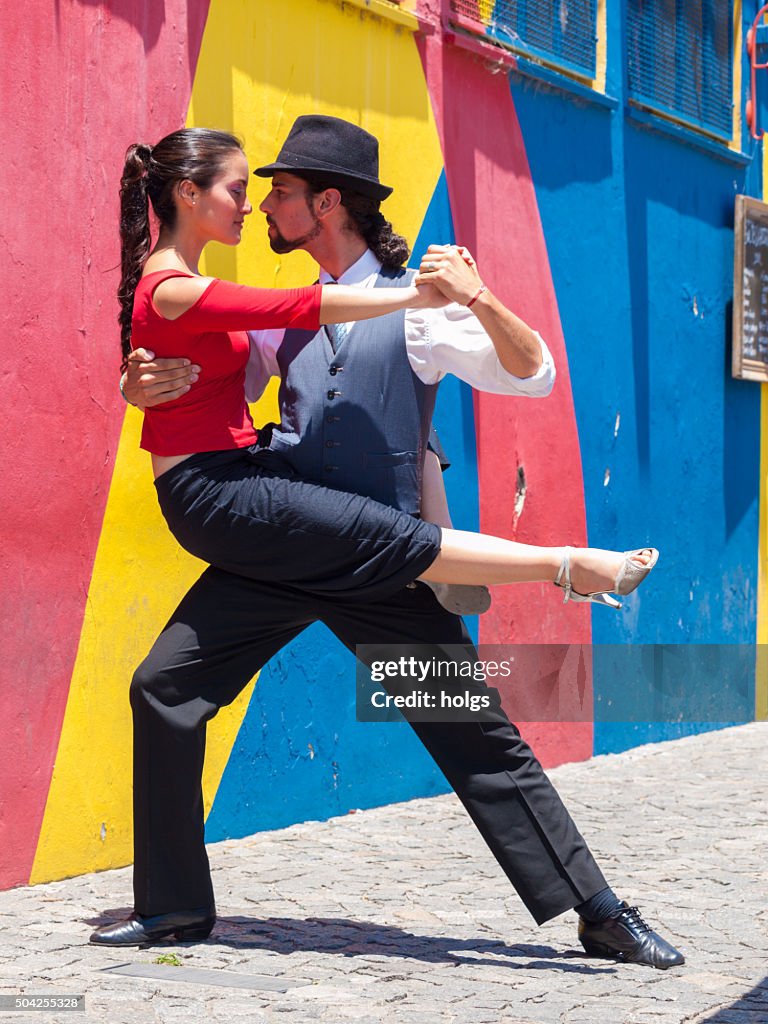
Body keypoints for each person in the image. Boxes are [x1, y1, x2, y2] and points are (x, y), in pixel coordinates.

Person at [91, 119, 682, 970]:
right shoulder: (276, 312)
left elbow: (536, 372)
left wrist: (476, 296)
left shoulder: (417, 308)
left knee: (472, 730)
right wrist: (136, 378)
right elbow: (202, 366)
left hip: (382, 561)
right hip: (283, 543)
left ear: (326, 203)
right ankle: (176, 910)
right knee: (164, 688)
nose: (265, 205)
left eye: (284, 192)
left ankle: (599, 910)